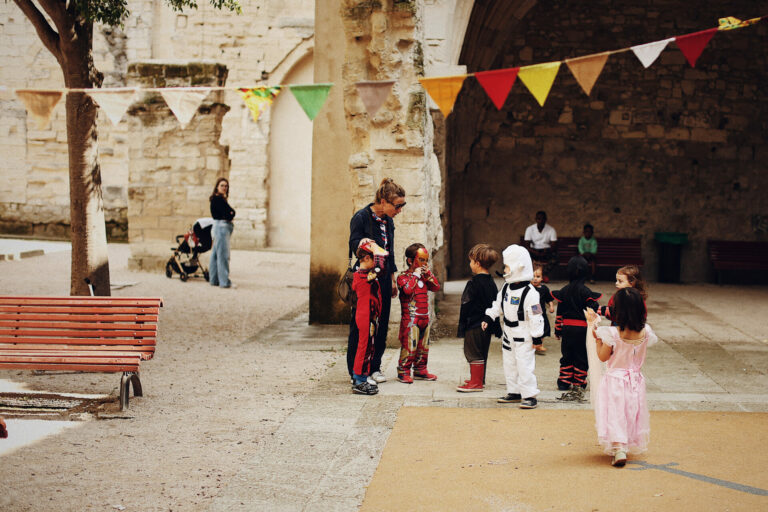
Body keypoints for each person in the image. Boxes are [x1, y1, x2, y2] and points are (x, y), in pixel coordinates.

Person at [347, 178, 406, 384]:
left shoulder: (388, 221)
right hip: (366, 280)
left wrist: (392, 279)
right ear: (383, 201)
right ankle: (355, 369)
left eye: (402, 205)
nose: (399, 210)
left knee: (381, 323)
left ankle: (374, 367)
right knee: (361, 325)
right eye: (397, 206)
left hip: (384, 277)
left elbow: (390, 252)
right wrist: (366, 244)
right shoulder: (361, 217)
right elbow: (354, 244)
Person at [591, 287, 657, 467]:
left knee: (615, 412)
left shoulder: (612, 333)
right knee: (631, 412)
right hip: (636, 379)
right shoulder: (646, 331)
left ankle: (619, 447)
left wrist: (597, 339)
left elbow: (603, 357)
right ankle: (626, 442)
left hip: (615, 380)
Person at [482, 245, 544, 409]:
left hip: (524, 334)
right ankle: (514, 391)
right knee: (509, 364)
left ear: (518, 267)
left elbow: (536, 315)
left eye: (507, 267)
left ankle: (529, 395)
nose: (504, 270)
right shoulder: (506, 288)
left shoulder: (531, 293)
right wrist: (489, 316)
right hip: (508, 332)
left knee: (524, 365)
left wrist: (537, 335)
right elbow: (497, 304)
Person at [552, 256, 602, 401]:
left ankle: (564, 381)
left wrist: (558, 330)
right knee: (581, 356)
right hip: (582, 330)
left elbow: (559, 313)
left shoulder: (564, 291)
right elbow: (593, 310)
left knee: (567, 354)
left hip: (567, 329)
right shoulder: (586, 292)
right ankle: (578, 382)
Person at [456, 244, 500, 392]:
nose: (470, 264)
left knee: (472, 352)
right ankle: (479, 379)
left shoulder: (474, 283)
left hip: (474, 323)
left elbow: (466, 304)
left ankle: (476, 383)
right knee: (482, 351)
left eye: (471, 261)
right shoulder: (491, 282)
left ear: (477, 263)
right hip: (486, 324)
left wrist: (463, 324)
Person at [396, 243, 441, 383]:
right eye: (421, 260)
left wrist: (428, 274)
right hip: (411, 318)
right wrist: (415, 275)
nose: (424, 263)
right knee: (410, 346)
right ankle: (403, 371)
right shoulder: (403, 277)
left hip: (424, 317)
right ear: (410, 260)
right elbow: (407, 290)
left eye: (426, 260)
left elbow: (436, 287)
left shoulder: (424, 277)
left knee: (423, 347)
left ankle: (420, 370)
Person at [351, 241, 389, 395]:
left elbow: (380, 269)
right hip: (365, 316)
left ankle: (363, 376)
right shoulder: (362, 275)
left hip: (371, 316)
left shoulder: (367, 274)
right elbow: (380, 268)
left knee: (369, 347)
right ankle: (358, 379)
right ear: (366, 258)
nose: (376, 263)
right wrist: (375, 250)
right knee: (364, 346)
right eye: (374, 258)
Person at [209, 177, 236, 288]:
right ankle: (224, 282)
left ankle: (214, 279)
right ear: (217, 187)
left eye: (226, 186)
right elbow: (229, 213)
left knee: (215, 255)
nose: (224, 188)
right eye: (222, 185)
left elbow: (231, 212)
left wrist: (231, 213)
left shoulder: (218, 199)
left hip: (218, 227)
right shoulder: (218, 199)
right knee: (223, 256)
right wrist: (231, 214)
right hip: (221, 228)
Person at [523, 211, 558, 281]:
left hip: (546, 250)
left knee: (556, 257)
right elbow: (527, 245)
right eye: (539, 219)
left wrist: (545, 251)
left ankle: (542, 274)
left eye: (543, 219)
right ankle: (533, 274)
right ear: (536, 219)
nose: (541, 221)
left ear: (545, 219)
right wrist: (535, 252)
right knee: (525, 255)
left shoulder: (551, 229)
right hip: (533, 250)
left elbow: (553, 246)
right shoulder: (530, 229)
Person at [531, 262, 555, 355]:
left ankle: (539, 343)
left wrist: (551, 306)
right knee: (535, 326)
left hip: (542, 313)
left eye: (538, 276)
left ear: (542, 278)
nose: (535, 279)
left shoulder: (544, 289)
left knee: (544, 328)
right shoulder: (529, 288)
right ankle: (536, 344)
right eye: (533, 276)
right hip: (533, 311)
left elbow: (549, 299)